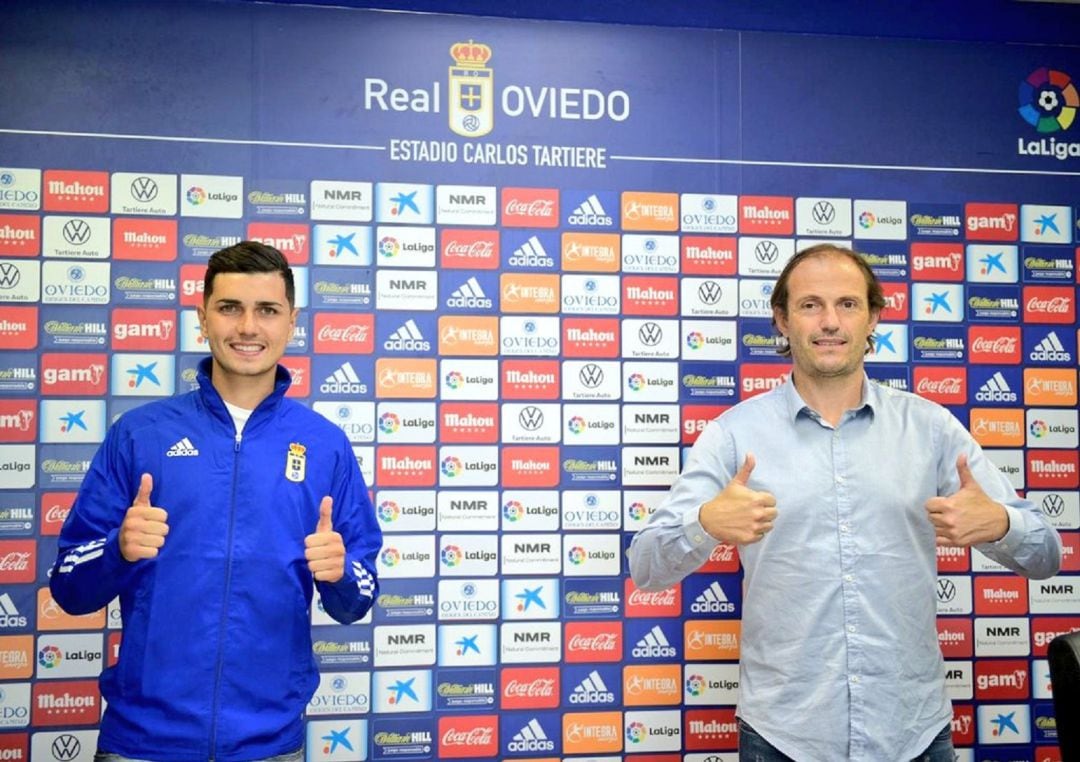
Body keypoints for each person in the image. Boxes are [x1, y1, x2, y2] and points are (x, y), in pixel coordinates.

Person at [628, 244, 1061, 762]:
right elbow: (646, 566)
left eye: (848, 305)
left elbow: (1047, 556)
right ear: (782, 321)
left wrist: (999, 524)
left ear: (873, 316)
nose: (830, 322)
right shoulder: (732, 435)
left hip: (913, 733)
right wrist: (704, 523)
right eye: (810, 305)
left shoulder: (931, 429)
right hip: (783, 737)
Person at [51, 241, 382, 762]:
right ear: (202, 318)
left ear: (291, 322)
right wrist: (118, 549)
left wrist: (339, 574)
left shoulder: (326, 445)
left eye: (267, 310)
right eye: (230, 308)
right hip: (142, 745)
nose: (248, 328)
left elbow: (357, 598)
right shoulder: (140, 435)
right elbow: (69, 587)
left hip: (270, 746)